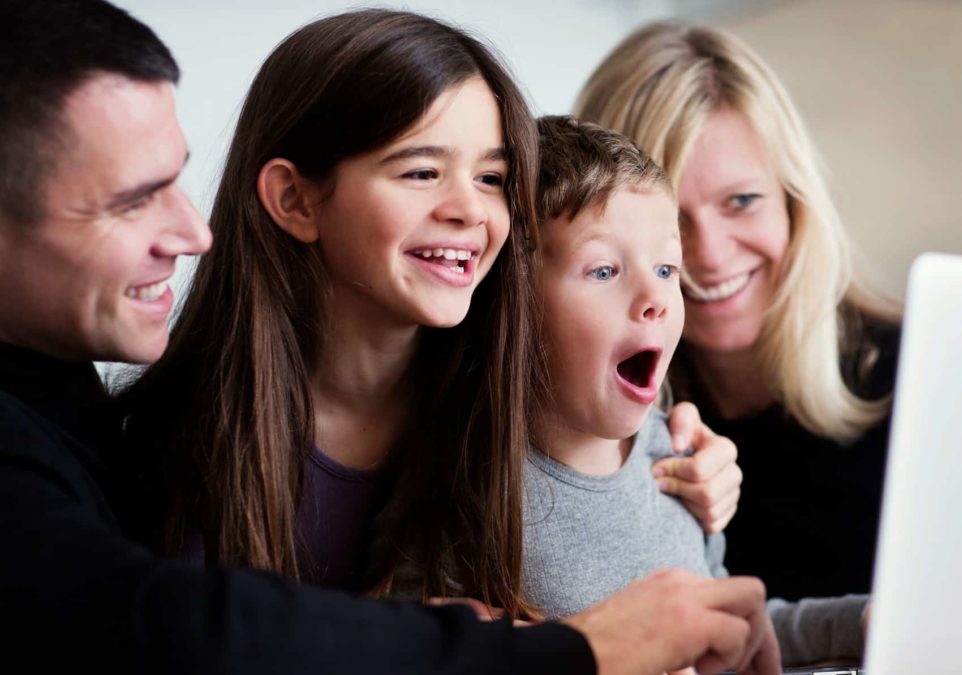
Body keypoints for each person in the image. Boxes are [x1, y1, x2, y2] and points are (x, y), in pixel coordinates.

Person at [0, 1, 780, 672]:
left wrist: (681, 459)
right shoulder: (160, 445)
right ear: (295, 201)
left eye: (492, 177)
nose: (469, 210)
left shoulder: (518, 402)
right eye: (420, 172)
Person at [576, 23, 902, 614]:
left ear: (794, 201)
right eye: (671, 221)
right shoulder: (590, 427)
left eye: (741, 202)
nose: (709, 255)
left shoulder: (920, 373)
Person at [520, 114, 867, 665]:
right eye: (604, 271)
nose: (656, 298)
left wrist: (863, 623)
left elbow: (732, 630)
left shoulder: (679, 459)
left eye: (666, 269)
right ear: (512, 305)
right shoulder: (470, 489)